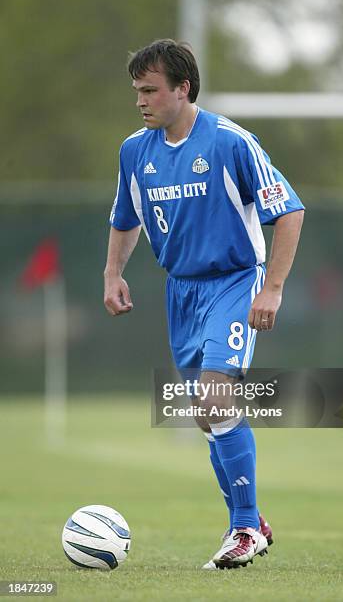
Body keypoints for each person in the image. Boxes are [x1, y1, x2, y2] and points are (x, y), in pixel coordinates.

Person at [104, 39, 304, 569]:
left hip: (235, 281)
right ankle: (252, 519)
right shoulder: (134, 151)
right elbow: (126, 218)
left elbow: (288, 211)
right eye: (137, 92)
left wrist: (274, 288)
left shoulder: (229, 141)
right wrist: (113, 273)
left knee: (216, 399)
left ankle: (243, 529)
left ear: (183, 88)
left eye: (151, 91)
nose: (141, 101)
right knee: (204, 415)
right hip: (182, 292)